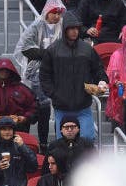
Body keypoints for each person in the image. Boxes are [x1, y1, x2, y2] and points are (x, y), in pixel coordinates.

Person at [39, 11, 107, 142]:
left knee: (87, 140)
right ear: (65, 30)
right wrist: (54, 93)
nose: (74, 31)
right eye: (71, 28)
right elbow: (44, 75)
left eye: (76, 28)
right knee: (63, 142)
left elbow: (98, 69)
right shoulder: (53, 50)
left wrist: (102, 81)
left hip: (83, 105)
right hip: (61, 106)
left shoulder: (87, 49)